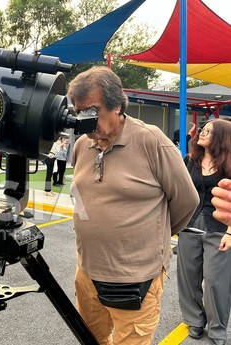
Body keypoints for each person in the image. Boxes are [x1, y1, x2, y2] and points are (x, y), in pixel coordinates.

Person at [67, 66, 199, 345]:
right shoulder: (82, 145)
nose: (84, 121)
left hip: (136, 279)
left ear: (117, 106)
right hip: (88, 273)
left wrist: (152, 236)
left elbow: (187, 201)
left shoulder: (150, 140)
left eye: (92, 112)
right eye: (79, 113)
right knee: (90, 339)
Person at [176, 119, 231, 345]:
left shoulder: (229, 165)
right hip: (189, 227)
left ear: (220, 138)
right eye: (202, 130)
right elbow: (178, 189)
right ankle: (195, 321)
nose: (201, 133)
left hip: (219, 228)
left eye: (207, 131)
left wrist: (230, 231)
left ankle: (218, 330)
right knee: (188, 279)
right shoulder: (191, 160)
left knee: (217, 282)